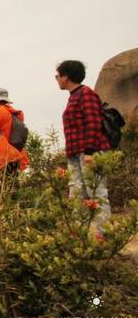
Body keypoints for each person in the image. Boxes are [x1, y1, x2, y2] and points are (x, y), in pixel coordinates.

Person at [56, 60, 111, 240]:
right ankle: (80, 234)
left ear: (67, 76)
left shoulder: (86, 94)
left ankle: (101, 234)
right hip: (74, 153)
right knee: (78, 193)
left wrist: (89, 152)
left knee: (96, 191)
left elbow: (93, 122)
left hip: (90, 152)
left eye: (58, 75)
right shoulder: (74, 96)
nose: (57, 79)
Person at [0, 87, 29, 176]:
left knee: (1, 184)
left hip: (3, 155)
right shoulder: (13, 112)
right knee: (13, 182)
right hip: (16, 153)